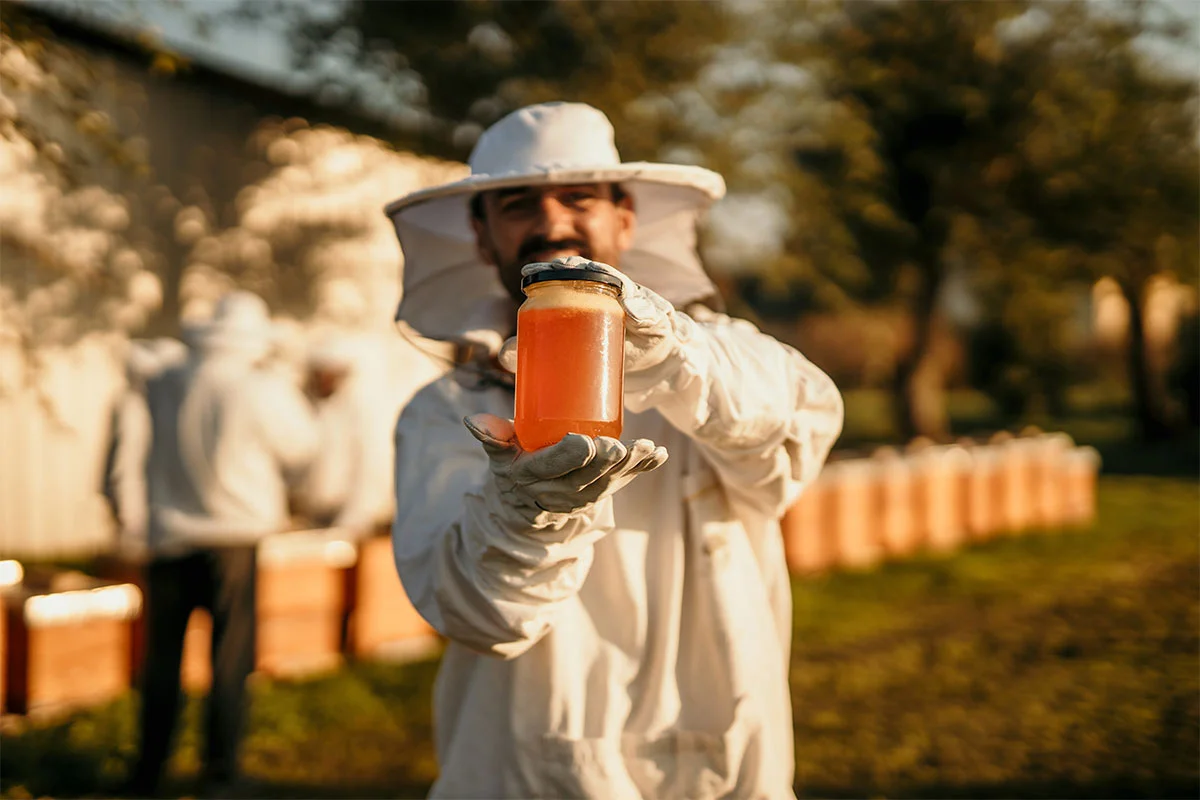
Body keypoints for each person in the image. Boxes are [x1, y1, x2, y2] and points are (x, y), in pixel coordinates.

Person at [386, 102, 844, 799]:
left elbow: (797, 425)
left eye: (580, 198)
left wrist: (666, 355)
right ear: (481, 237)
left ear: (625, 220)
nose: (552, 223)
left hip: (723, 766)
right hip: (532, 770)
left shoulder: (718, 359)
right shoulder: (445, 413)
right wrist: (526, 511)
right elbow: (481, 616)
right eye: (516, 205)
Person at [120, 291, 319, 798]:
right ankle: (220, 771)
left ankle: (150, 768)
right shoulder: (259, 387)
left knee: (161, 658)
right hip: (232, 542)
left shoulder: (166, 381)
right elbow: (302, 450)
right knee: (230, 658)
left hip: (168, 539)